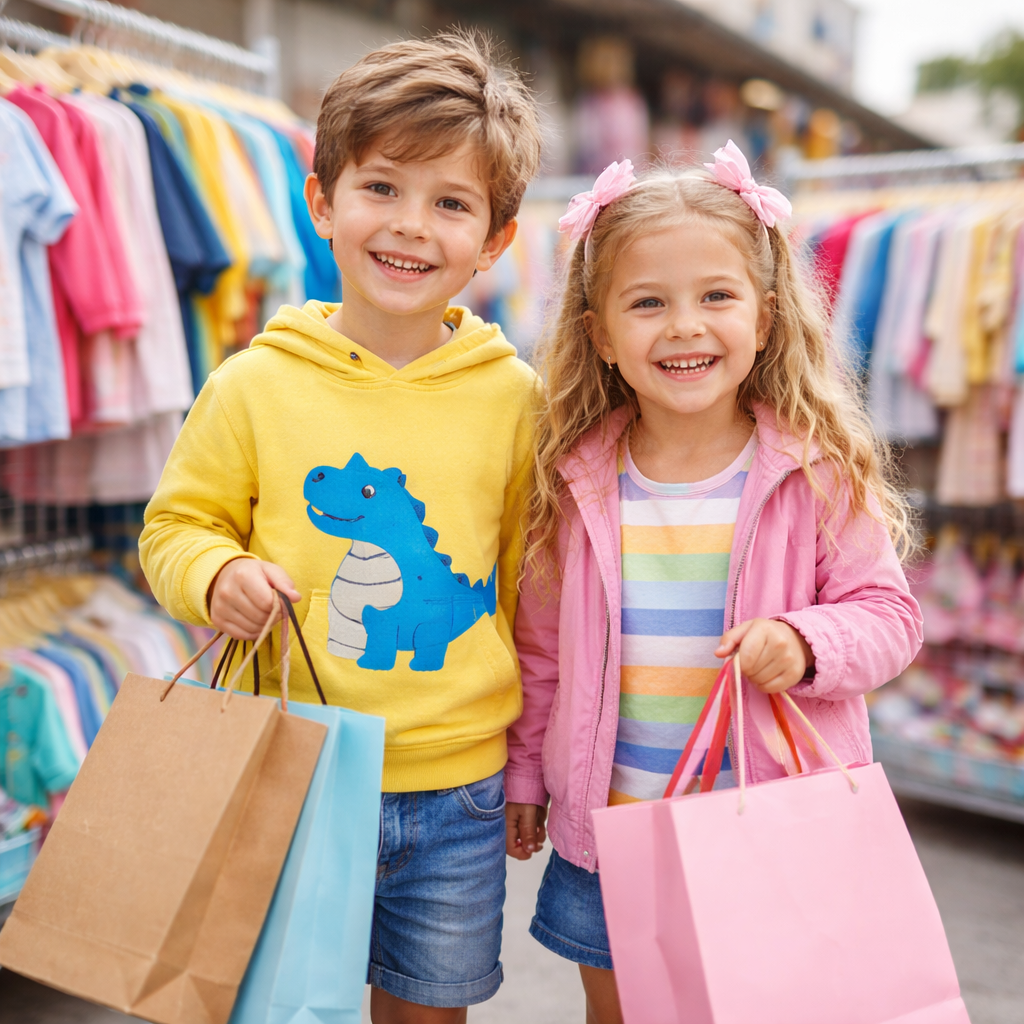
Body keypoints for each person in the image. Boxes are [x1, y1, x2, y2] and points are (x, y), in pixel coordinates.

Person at [139, 32, 541, 1024]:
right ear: (321, 201)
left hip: (459, 792)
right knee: (275, 1006)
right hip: (289, 768)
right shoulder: (251, 383)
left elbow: (537, 591)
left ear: (496, 238)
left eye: (451, 203)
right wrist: (214, 572)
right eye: (383, 188)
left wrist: (532, 761)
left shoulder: (520, 402)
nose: (411, 226)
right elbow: (175, 526)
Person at [503, 143, 923, 1024]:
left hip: (767, 828)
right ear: (601, 336)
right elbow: (540, 652)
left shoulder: (814, 471)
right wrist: (525, 780)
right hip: (610, 836)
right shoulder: (574, 483)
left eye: (716, 297)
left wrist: (806, 642)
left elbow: (889, 617)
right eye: (647, 302)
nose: (684, 325)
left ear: (766, 320)